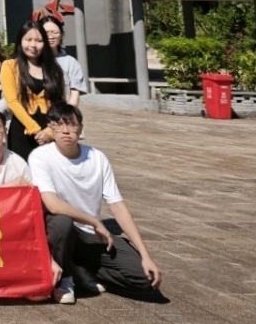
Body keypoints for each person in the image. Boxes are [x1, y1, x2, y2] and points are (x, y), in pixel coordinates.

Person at [30, 103, 163, 304]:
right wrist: (94, 221)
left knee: (146, 280)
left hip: (93, 236)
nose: (65, 130)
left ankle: (82, 271)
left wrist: (145, 255)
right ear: (50, 128)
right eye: (59, 125)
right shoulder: (41, 156)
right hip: (64, 232)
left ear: (81, 128)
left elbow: (117, 205)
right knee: (62, 222)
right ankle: (65, 277)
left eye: (72, 125)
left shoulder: (97, 157)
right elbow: (53, 205)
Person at [1, 20, 66, 159]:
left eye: (39, 40)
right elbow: (11, 101)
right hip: (22, 132)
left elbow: (60, 104)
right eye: (28, 39)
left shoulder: (54, 69)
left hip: (50, 132)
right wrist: (34, 128)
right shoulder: (9, 66)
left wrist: (49, 131)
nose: (33, 45)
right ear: (20, 41)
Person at [42, 19, 89, 105]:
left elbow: (74, 96)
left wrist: (68, 112)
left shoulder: (70, 62)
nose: (51, 36)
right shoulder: (32, 60)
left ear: (62, 35)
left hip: (62, 111)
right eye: (46, 32)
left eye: (55, 32)